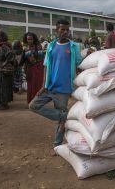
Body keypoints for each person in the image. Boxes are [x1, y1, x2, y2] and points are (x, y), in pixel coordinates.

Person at [29, 19, 82, 151]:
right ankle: (65, 115)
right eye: (62, 29)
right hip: (49, 86)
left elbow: (79, 65)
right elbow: (46, 66)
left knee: (61, 122)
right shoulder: (51, 46)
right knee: (33, 105)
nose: (65, 32)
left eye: (67, 29)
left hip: (63, 89)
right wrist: (43, 85)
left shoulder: (74, 47)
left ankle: (57, 145)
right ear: (56, 30)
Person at [20, 32, 45, 105]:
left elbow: (42, 58)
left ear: (34, 39)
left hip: (38, 68)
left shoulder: (39, 47)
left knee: (38, 85)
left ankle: (37, 102)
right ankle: (30, 102)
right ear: (26, 40)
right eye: (28, 39)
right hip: (30, 69)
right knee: (30, 85)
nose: (29, 41)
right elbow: (23, 61)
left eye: (31, 39)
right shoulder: (25, 49)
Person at [0, 31, 15, 110]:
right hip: (1, 70)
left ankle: (4, 105)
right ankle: (2, 103)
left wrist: (3, 64)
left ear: (2, 38)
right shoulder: (2, 46)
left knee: (3, 87)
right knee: (0, 87)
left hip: (3, 71)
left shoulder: (4, 46)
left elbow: (10, 55)